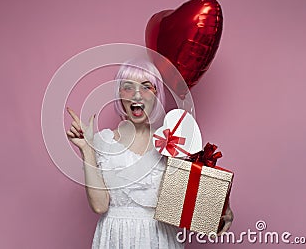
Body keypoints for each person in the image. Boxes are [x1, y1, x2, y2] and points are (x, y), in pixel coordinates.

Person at [66, 60, 233, 248]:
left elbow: (192, 201)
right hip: (115, 238)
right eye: (128, 87)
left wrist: (220, 210)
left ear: (156, 94)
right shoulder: (102, 141)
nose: (137, 94)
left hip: (161, 239)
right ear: (119, 95)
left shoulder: (173, 143)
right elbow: (99, 206)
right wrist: (86, 149)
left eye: (146, 87)